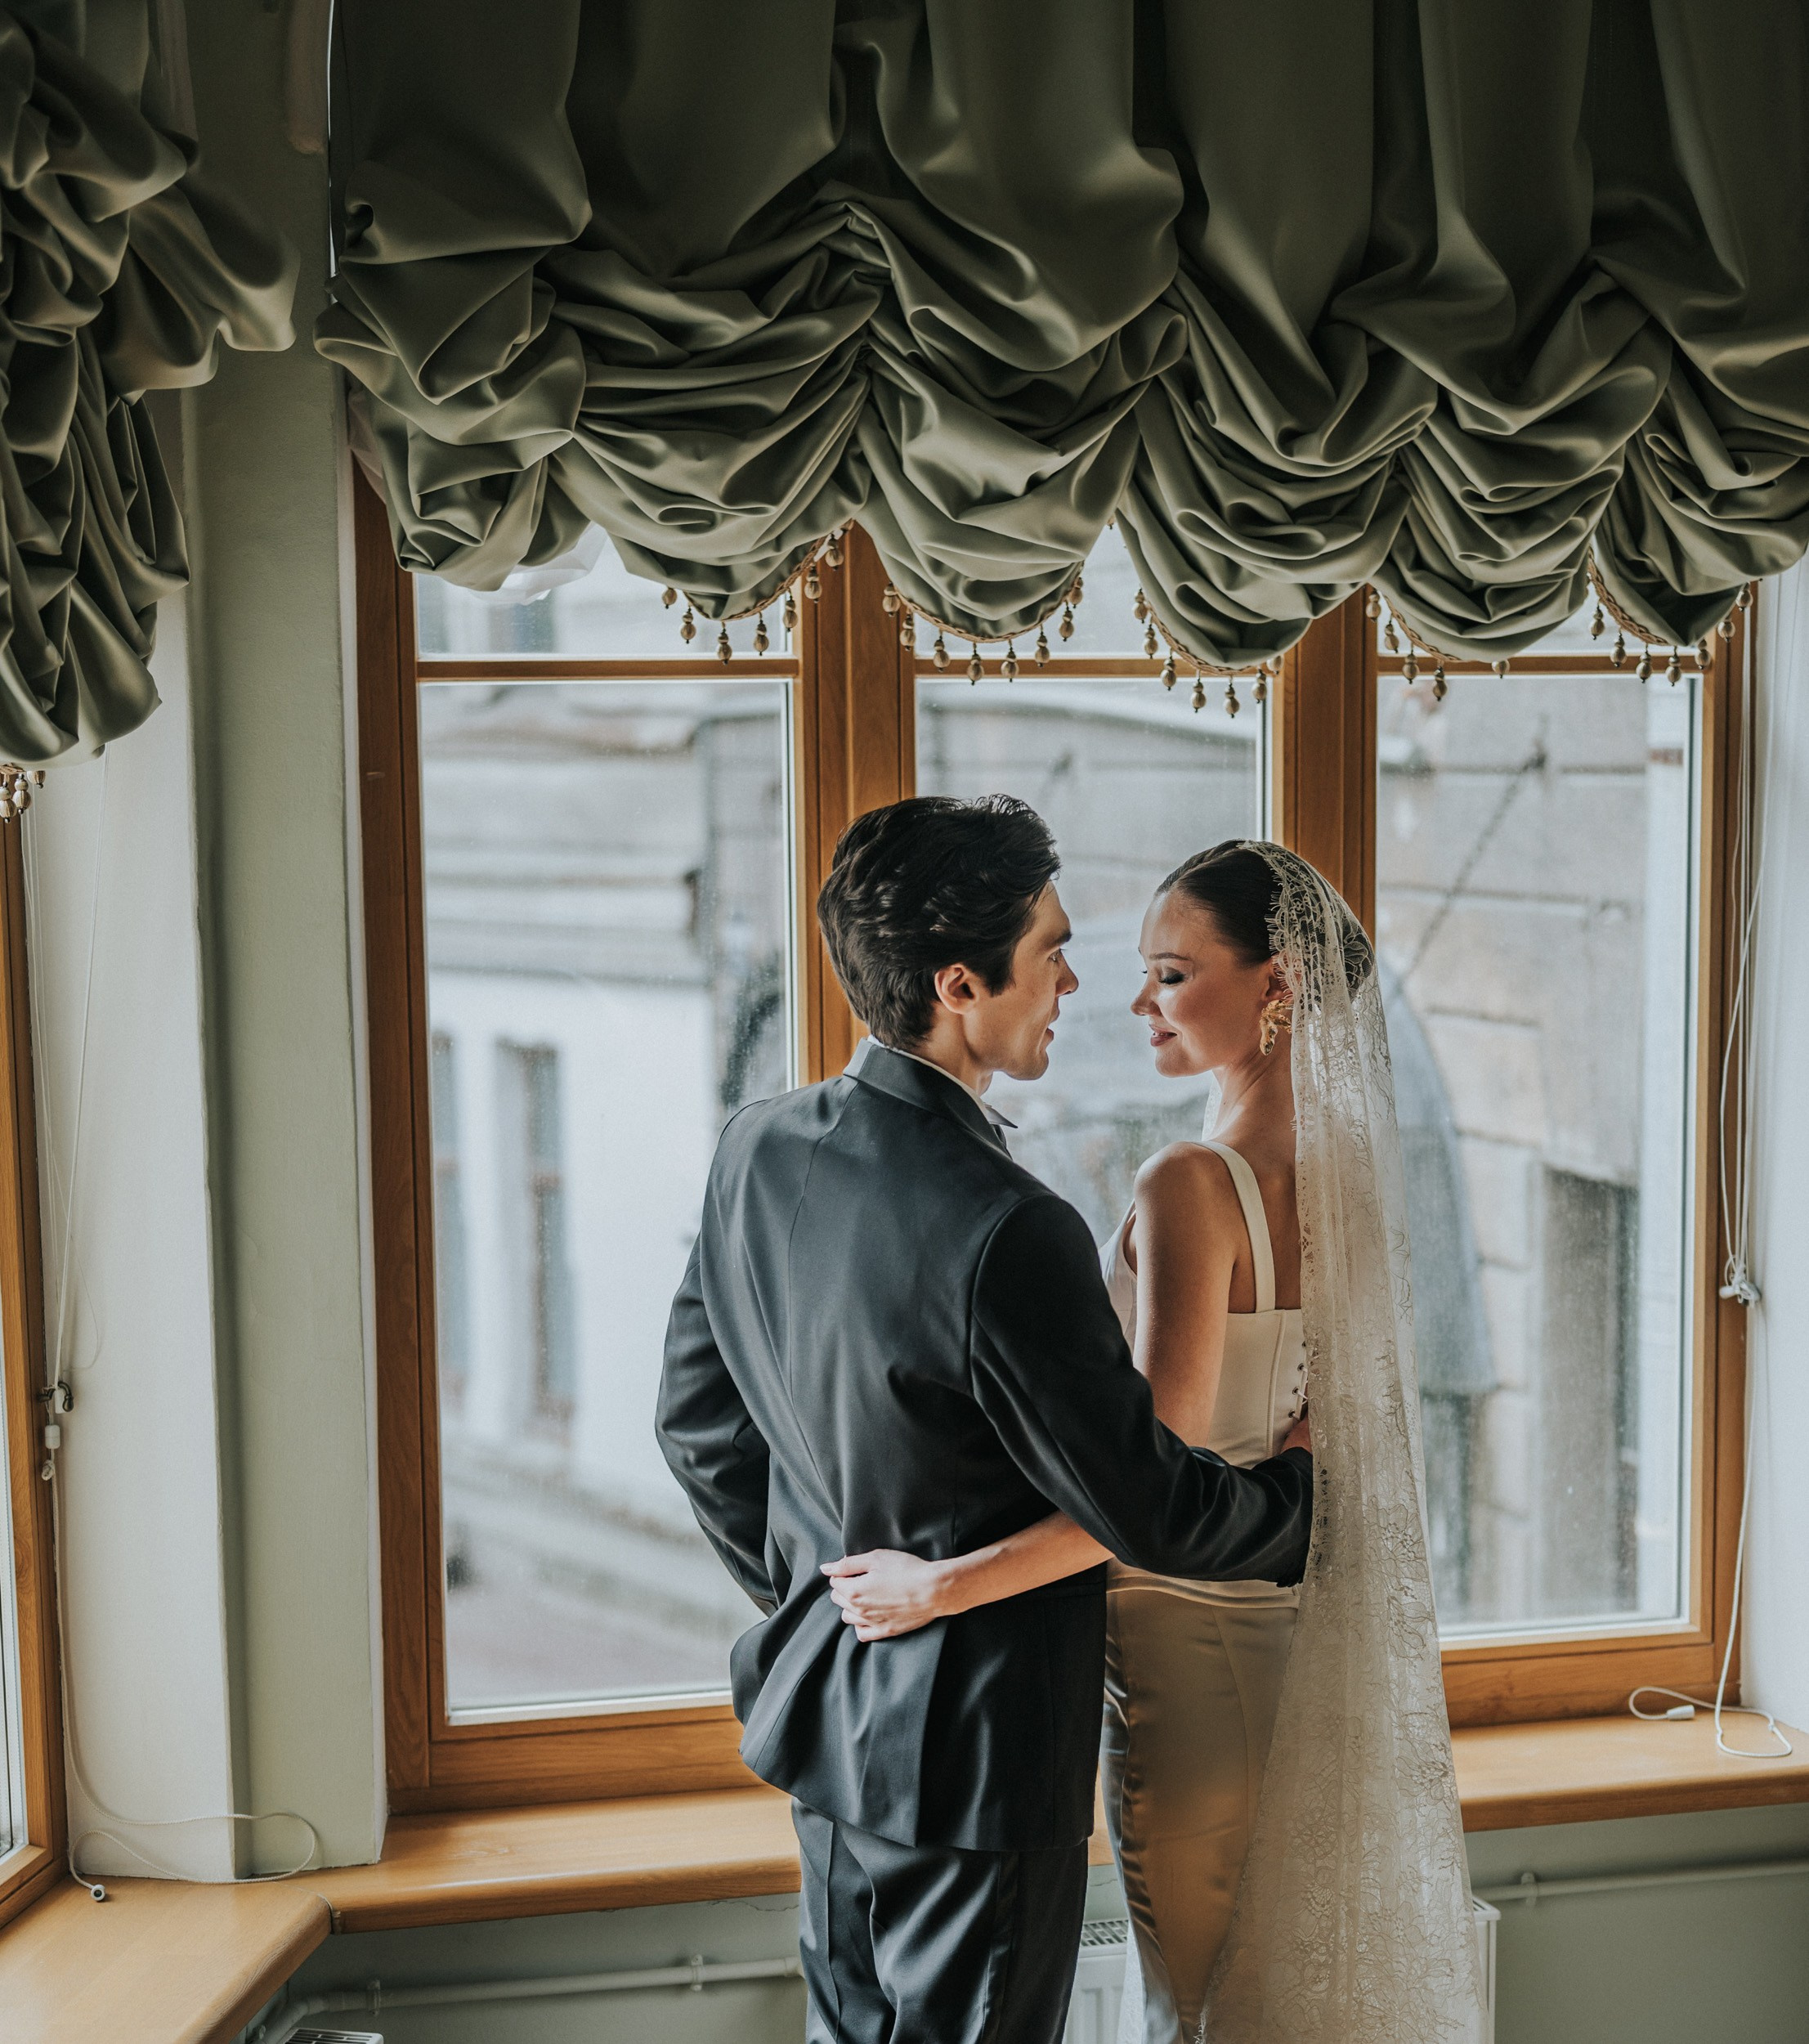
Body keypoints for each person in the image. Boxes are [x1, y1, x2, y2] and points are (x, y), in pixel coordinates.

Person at [656, 798, 1314, 2044]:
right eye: (1052, 950)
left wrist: (826, 1596)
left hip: (825, 1714)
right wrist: (1304, 1504)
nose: (1073, 981)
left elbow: (695, 1428)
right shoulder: (1008, 1227)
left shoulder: (758, 1145)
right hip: (980, 1754)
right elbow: (1148, 1501)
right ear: (960, 983)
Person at [825, 841, 1488, 2044]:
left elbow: (1151, 1489)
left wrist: (942, 1587)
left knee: (1201, 2009)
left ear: (1274, 985)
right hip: (1297, 1646)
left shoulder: (1193, 1181)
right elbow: (1314, 1443)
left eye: (1171, 974)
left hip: (1184, 1659)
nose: (1136, 1003)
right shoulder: (1347, 1178)